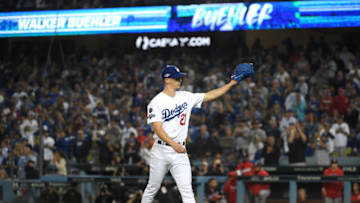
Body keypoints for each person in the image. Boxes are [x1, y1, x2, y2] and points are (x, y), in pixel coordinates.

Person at [141, 64, 254, 203]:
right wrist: (173, 144)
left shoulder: (186, 97)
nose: (180, 81)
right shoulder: (156, 102)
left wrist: (231, 83)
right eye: (176, 78)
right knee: (152, 188)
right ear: (167, 80)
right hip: (161, 150)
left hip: (179, 152)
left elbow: (210, 95)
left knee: (187, 190)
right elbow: (157, 129)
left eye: (180, 78)